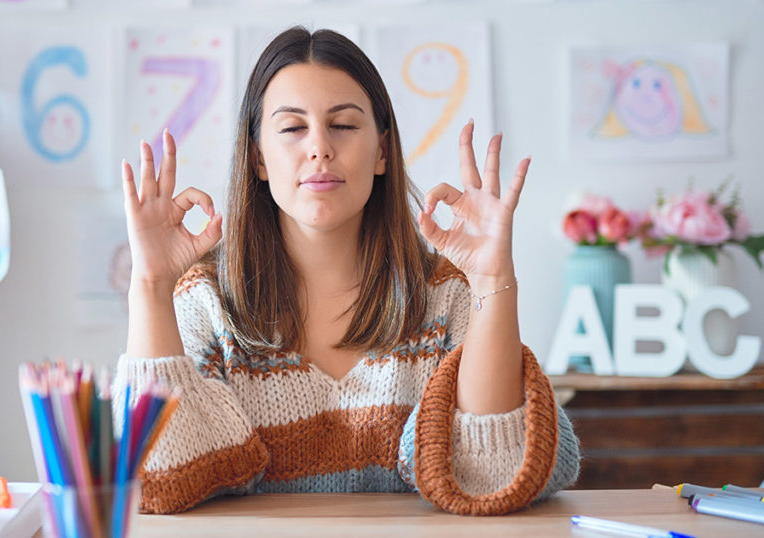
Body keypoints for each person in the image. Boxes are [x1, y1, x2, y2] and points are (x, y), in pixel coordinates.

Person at [115, 26, 580, 515]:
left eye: (343, 125)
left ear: (381, 151)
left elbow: (496, 476)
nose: (319, 148)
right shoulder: (206, 302)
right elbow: (155, 483)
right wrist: (149, 285)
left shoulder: (446, 297)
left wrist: (492, 283)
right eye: (293, 128)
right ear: (258, 158)